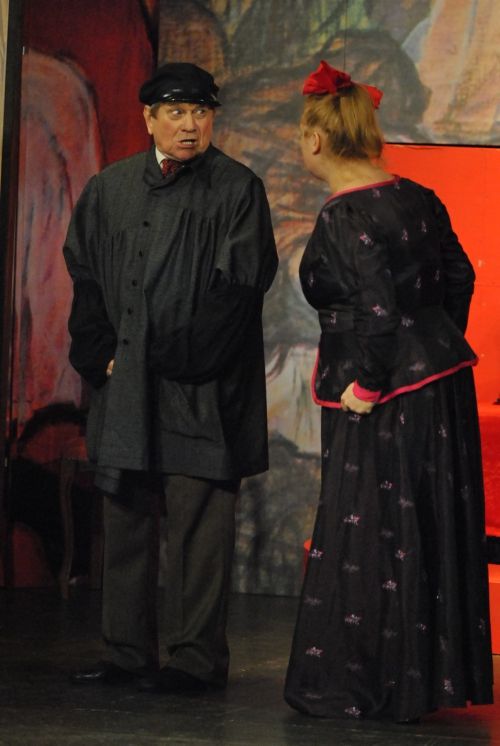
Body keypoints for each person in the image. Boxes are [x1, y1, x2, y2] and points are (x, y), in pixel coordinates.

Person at [284, 60, 493, 722]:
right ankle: (424, 681)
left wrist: (370, 384)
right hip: (439, 383)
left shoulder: (344, 215)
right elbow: (460, 278)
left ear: (317, 139)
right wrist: (432, 346)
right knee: (424, 524)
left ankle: (369, 684)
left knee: (373, 530)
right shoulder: (418, 196)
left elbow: (376, 310)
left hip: (382, 392)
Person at [63, 62, 278, 693]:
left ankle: (193, 660)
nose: (190, 125)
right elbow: (85, 275)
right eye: (177, 113)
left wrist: (182, 359)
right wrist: (99, 354)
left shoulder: (237, 189)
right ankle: (126, 652)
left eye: (201, 112)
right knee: (126, 517)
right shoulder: (110, 187)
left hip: (201, 385)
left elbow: (240, 287)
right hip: (125, 383)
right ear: (149, 118)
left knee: (198, 523)